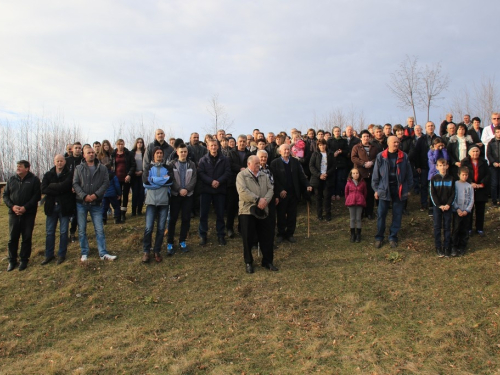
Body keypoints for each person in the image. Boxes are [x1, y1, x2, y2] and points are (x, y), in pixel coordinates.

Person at [73, 145, 117, 262]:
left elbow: (105, 183)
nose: (91, 154)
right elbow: (75, 183)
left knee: (99, 229)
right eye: (88, 152)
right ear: (84, 155)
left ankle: (103, 253)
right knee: (82, 229)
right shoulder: (78, 168)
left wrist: (95, 195)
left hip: (96, 203)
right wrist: (84, 196)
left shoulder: (102, 168)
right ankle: (84, 252)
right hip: (81, 203)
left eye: (92, 152)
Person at [236, 155, 276, 273]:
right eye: (256, 163)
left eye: (259, 163)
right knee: (248, 237)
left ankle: (267, 261)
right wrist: (257, 200)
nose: (259, 165)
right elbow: (242, 191)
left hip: (263, 209)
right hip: (247, 210)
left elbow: (271, 189)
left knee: (267, 236)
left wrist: (265, 201)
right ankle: (249, 262)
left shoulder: (264, 175)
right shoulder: (241, 176)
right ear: (249, 164)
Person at [372, 136, 412, 248]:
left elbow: (409, 173)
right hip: (384, 189)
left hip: (399, 189)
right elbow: (376, 175)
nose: (396, 144)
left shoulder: (404, 156)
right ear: (388, 143)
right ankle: (379, 237)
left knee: (397, 214)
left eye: (397, 142)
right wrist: (376, 189)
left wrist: (408, 188)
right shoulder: (381, 156)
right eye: (394, 142)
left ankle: (393, 237)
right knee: (381, 215)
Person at [3, 160, 41, 271]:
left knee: (27, 237)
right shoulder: (11, 179)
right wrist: (12, 206)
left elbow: (36, 196)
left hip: (28, 213)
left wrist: (25, 208)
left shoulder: (34, 180)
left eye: (20, 166)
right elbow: (5, 195)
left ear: (27, 168)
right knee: (13, 237)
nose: (18, 168)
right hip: (14, 213)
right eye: (17, 166)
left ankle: (24, 260)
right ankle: (12, 260)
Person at [270, 144, 312, 243]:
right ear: (280, 151)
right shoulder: (274, 163)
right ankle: (281, 234)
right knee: (281, 215)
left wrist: (307, 184)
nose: (287, 151)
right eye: (284, 150)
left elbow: (301, 175)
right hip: (281, 195)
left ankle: (290, 234)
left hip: (293, 193)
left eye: (288, 149)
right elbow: (273, 179)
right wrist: (280, 190)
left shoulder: (295, 161)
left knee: (292, 215)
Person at [41, 154, 74, 265]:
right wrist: (59, 189)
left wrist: (52, 186)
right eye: (57, 161)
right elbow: (44, 189)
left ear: (65, 162)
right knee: (50, 232)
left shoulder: (69, 174)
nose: (59, 163)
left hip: (64, 207)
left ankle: (61, 254)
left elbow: (66, 186)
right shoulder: (48, 174)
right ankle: (49, 255)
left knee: (64, 232)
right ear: (54, 162)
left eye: (61, 161)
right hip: (51, 207)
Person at [141, 147, 173, 263]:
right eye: (157, 153)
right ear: (153, 155)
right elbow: (146, 182)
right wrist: (160, 182)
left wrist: (154, 180)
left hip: (164, 201)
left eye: (161, 153)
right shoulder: (148, 168)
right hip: (151, 201)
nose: (159, 155)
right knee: (149, 228)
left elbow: (170, 181)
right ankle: (146, 251)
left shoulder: (167, 168)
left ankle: (157, 251)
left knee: (160, 228)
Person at [197, 139, 232, 246]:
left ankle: (221, 235)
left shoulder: (225, 159)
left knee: (220, 214)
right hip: (206, 190)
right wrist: (211, 181)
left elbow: (227, 172)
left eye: (215, 145)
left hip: (220, 190)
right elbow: (201, 173)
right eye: (211, 145)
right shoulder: (202, 160)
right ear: (208, 147)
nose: (213, 147)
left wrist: (219, 181)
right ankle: (203, 235)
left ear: (218, 147)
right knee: (203, 214)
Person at [166, 144, 197, 254]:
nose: (183, 153)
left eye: (185, 151)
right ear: (177, 152)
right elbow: (171, 179)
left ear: (187, 152)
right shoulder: (172, 164)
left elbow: (194, 179)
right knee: (172, 219)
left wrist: (187, 190)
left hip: (188, 195)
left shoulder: (192, 164)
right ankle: (170, 242)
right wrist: (179, 189)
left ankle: (182, 241)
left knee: (185, 218)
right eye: (181, 151)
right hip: (175, 195)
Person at [351, 130, 381, 220]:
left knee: (370, 194)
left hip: (371, 173)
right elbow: (353, 157)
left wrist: (372, 162)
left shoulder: (374, 147)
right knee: (360, 194)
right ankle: (360, 213)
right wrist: (363, 163)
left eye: (367, 136)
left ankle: (369, 212)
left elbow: (378, 157)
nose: (366, 138)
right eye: (364, 136)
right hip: (360, 174)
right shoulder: (356, 147)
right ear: (361, 137)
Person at [461, 145, 490, 236]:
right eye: (473, 151)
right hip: (469, 188)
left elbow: (488, 174)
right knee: (469, 209)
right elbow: (463, 174)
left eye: (477, 151)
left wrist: (481, 184)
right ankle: (468, 228)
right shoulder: (465, 162)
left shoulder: (483, 162)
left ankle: (479, 228)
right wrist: (470, 183)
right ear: (469, 153)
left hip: (481, 188)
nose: (475, 153)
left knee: (480, 209)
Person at [227, 135, 252, 238]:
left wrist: (245, 169)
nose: (242, 143)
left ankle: (241, 228)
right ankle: (229, 228)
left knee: (243, 207)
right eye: (240, 141)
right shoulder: (231, 153)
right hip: (232, 183)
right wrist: (241, 168)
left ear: (246, 142)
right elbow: (229, 164)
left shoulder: (249, 154)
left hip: (245, 184)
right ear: (237, 142)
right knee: (231, 207)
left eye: (244, 141)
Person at [430, 159, 455, 257]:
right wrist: (439, 205)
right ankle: (438, 247)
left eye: (444, 165)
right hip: (438, 207)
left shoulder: (451, 179)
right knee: (437, 227)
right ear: (437, 167)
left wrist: (448, 204)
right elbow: (432, 194)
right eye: (440, 165)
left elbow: (453, 193)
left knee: (447, 227)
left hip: (448, 207)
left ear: (447, 166)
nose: (442, 167)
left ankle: (447, 247)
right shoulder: (434, 179)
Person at [411, 121, 437, 212]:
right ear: (425, 128)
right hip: (424, 166)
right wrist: (418, 166)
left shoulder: (438, 139)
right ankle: (423, 204)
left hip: (435, 167)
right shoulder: (421, 139)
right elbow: (416, 153)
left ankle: (433, 204)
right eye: (428, 126)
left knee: (434, 186)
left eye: (432, 126)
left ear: (434, 127)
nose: (430, 127)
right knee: (424, 185)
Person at [309, 139, 335, 221]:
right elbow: (311, 166)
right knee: (318, 197)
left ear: (326, 145)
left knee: (327, 197)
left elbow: (333, 166)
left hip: (328, 178)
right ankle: (319, 214)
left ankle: (328, 214)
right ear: (318, 146)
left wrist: (327, 174)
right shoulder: (315, 154)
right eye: (320, 145)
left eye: (323, 145)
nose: (322, 146)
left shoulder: (330, 154)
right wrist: (319, 175)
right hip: (317, 179)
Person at [111, 139, 136, 222]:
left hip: (126, 178)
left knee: (125, 196)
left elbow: (133, 165)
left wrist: (129, 175)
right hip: (116, 179)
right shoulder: (113, 154)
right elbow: (111, 166)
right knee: (117, 196)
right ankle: (117, 213)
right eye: (118, 144)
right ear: (116, 145)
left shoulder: (129, 154)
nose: (120, 146)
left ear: (124, 144)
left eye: (122, 144)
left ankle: (123, 214)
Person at [452, 167, 474, 256]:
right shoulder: (455, 184)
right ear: (458, 175)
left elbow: (472, 199)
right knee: (456, 228)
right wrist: (457, 209)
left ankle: (462, 246)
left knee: (464, 229)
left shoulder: (469, 186)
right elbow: (453, 197)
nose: (464, 177)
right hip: (457, 211)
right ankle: (454, 246)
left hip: (466, 212)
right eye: (463, 175)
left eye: (466, 175)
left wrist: (467, 210)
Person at [345, 168, 367, 243]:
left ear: (359, 174)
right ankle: (352, 234)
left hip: (359, 202)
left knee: (358, 218)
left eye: (357, 173)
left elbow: (365, 193)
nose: (355, 175)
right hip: (351, 202)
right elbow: (346, 192)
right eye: (353, 173)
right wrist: (348, 199)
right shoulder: (348, 183)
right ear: (351, 174)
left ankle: (358, 234)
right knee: (352, 218)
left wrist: (362, 198)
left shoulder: (363, 183)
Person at [327, 126, 349, 200]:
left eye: (338, 131)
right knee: (332, 179)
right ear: (333, 132)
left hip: (341, 163)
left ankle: (338, 193)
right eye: (336, 131)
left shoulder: (344, 140)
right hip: (332, 162)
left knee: (340, 179)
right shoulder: (330, 140)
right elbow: (327, 150)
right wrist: (333, 153)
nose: (337, 132)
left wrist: (341, 152)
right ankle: (332, 193)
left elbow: (347, 151)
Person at [131, 138, 146, 216]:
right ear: (136, 143)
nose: (140, 144)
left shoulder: (145, 152)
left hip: (142, 175)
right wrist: (134, 172)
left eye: (141, 142)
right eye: (138, 142)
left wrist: (142, 171)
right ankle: (133, 211)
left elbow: (147, 164)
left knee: (141, 193)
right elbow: (130, 164)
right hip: (134, 176)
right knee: (135, 193)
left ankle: (139, 210)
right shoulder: (132, 153)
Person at [487, 125, 500, 205]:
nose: (499, 134)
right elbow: (488, 154)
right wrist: (493, 162)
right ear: (494, 133)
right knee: (494, 183)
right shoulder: (491, 142)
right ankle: (494, 200)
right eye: (497, 132)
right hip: (493, 166)